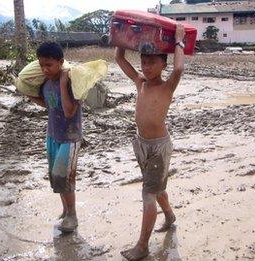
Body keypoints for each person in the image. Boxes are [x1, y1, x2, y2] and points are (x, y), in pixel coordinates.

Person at [115, 24, 185, 260]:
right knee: (157, 187)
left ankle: (143, 246)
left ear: (162, 64)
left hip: (158, 147)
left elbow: (179, 69)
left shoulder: (167, 87)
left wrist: (178, 40)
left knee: (148, 193)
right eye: (144, 61)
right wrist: (122, 36)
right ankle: (170, 216)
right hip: (142, 144)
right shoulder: (140, 82)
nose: (146, 66)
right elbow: (120, 59)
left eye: (152, 62)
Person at [27, 41, 82, 233]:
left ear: (61, 62)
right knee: (56, 177)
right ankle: (66, 211)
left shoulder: (72, 83)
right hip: (52, 135)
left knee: (63, 176)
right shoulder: (46, 83)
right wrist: (28, 94)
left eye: (49, 65)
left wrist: (64, 82)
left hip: (70, 137)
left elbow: (68, 111)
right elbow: (49, 105)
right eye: (41, 65)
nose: (44, 69)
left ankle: (73, 215)